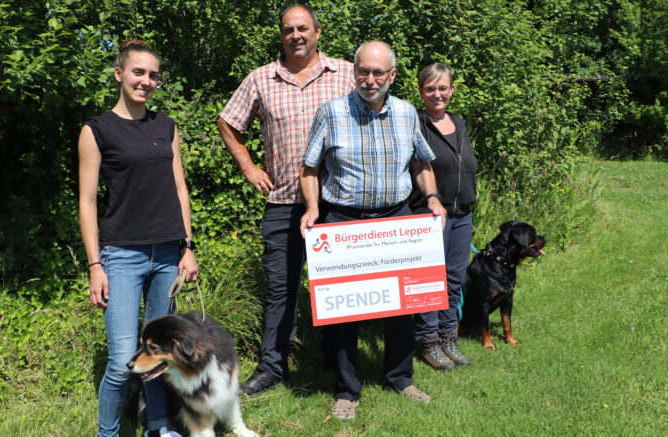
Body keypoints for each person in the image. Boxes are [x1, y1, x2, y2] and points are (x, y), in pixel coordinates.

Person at [299, 41, 447, 420]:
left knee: (402, 307)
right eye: (363, 71)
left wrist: (432, 198)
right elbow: (311, 168)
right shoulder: (330, 113)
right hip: (344, 221)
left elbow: (421, 163)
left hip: (394, 220)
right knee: (344, 313)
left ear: (391, 75)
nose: (369, 79)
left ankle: (401, 377)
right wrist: (313, 208)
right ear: (354, 72)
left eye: (378, 72)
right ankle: (347, 390)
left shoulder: (407, 113)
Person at [217, 4, 355, 396]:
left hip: (337, 200)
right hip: (283, 203)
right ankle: (273, 366)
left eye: (302, 28)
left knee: (338, 285)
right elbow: (228, 122)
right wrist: (249, 168)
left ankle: (336, 357)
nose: (296, 35)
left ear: (318, 31)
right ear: (281, 35)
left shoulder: (346, 74)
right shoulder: (261, 79)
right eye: (288, 30)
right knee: (281, 288)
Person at [78, 39, 198, 437]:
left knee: (160, 356)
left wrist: (188, 247)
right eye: (138, 72)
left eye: (153, 75)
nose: (146, 81)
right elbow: (88, 203)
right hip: (121, 256)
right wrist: (96, 265)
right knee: (119, 361)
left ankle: (159, 426)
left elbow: (180, 189)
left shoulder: (166, 126)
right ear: (119, 73)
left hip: (168, 255)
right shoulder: (96, 130)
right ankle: (107, 433)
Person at [409, 63, 478, 370]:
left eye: (442, 88)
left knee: (454, 277)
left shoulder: (459, 122)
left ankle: (450, 336)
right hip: (430, 214)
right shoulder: (417, 123)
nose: (437, 94)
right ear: (421, 91)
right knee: (429, 280)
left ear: (452, 89)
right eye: (430, 88)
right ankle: (428, 340)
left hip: (462, 213)